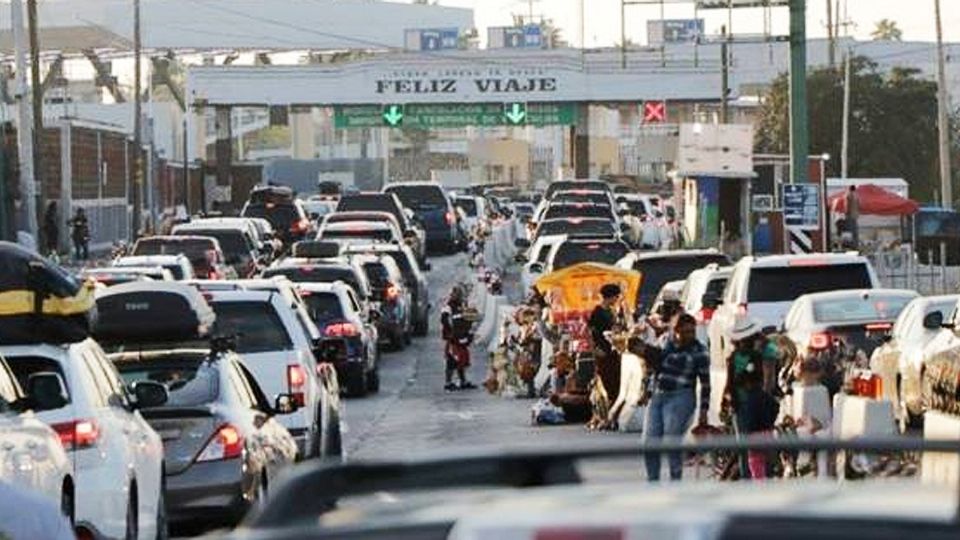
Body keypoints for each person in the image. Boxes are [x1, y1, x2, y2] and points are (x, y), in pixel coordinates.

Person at [641, 313, 710, 482]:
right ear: (675, 331)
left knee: (673, 441)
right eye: (685, 332)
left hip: (681, 396)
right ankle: (653, 481)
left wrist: (703, 411)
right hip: (658, 395)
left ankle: (675, 481)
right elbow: (653, 368)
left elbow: (706, 383)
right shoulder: (665, 342)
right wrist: (646, 390)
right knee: (649, 442)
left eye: (692, 331)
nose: (689, 336)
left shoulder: (699, 350)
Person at [722, 318, 780, 480]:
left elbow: (769, 380)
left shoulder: (764, 351)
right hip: (742, 404)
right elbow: (730, 381)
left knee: (755, 448)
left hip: (754, 405)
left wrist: (762, 400)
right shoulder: (736, 356)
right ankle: (752, 481)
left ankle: (760, 480)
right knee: (748, 450)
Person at [588, 283, 624, 403]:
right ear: (610, 296)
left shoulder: (611, 311)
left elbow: (614, 329)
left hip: (613, 351)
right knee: (605, 382)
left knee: (616, 381)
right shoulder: (597, 312)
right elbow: (591, 333)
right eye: (616, 296)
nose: (617, 299)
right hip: (602, 351)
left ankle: (613, 411)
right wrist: (595, 349)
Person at [441, 285, 476, 391]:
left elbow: (471, 319)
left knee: (463, 359)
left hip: (462, 336)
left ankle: (463, 381)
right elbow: (445, 320)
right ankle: (448, 382)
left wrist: (469, 333)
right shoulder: (448, 307)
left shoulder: (463, 306)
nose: (458, 296)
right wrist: (451, 333)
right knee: (451, 360)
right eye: (455, 294)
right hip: (452, 338)